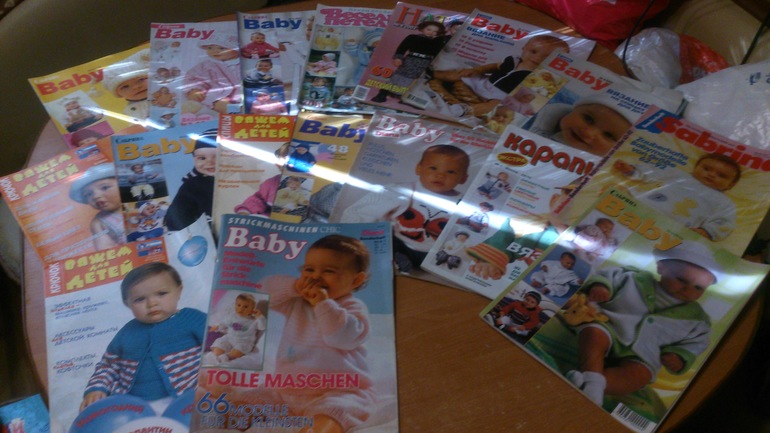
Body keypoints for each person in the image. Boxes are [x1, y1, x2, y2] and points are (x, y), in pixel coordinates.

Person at [563, 240, 721, 406]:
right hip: (610, 329)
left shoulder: (697, 320)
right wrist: (601, 287)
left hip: (644, 356)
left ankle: (592, 384)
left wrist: (680, 356)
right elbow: (607, 276)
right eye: (681, 280)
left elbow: (697, 342)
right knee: (593, 334)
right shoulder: (633, 279)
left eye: (698, 288)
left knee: (639, 376)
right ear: (662, 268)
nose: (688, 289)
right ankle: (592, 380)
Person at [258, 234, 375, 432]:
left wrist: (322, 303)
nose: (315, 277)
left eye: (328, 271)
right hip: (286, 389)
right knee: (244, 402)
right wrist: (294, 286)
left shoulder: (353, 308)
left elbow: (339, 337)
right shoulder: (295, 302)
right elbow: (262, 292)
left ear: (356, 280)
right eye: (309, 269)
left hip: (338, 391)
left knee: (334, 413)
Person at [80, 262, 206, 410]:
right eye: (140, 299)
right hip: (133, 405)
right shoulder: (127, 333)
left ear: (179, 291)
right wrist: (96, 389)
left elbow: (219, 345)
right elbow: (108, 366)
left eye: (161, 294)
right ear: (128, 304)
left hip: (188, 396)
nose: (152, 303)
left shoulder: (192, 319)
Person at [340, 144, 471, 272]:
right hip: (400, 242)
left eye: (451, 172)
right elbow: (364, 212)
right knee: (385, 240)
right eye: (433, 168)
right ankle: (397, 258)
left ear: (463, 178)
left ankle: (438, 263)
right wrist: (355, 233)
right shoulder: (401, 191)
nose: (440, 175)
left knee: (450, 257)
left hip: (432, 252)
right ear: (419, 168)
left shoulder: (465, 203)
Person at [428, 35, 570, 118]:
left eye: (546, 57)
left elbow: (530, 96)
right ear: (524, 48)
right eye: (533, 51)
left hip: (499, 96)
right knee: (462, 74)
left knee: (494, 106)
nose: (537, 58)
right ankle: (434, 74)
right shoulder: (513, 60)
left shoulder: (539, 77)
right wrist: (478, 69)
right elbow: (495, 66)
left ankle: (465, 110)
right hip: (485, 82)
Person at [612, 152, 741, 242]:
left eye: (721, 175)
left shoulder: (724, 202)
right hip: (641, 205)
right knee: (620, 191)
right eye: (706, 169)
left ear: (730, 185)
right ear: (695, 168)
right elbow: (653, 172)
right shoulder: (679, 174)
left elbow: (724, 222)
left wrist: (706, 231)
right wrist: (632, 170)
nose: (711, 175)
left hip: (670, 225)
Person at [526, 93, 635, 157]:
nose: (588, 132)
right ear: (574, 110)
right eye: (588, 119)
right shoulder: (539, 120)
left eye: (609, 135)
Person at [370, 21, 446, 103]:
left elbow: (438, 54)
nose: (431, 32)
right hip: (410, 61)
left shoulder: (437, 42)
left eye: (435, 31)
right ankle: (383, 94)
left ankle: (405, 96)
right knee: (398, 77)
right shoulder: (413, 37)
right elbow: (402, 48)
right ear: (422, 29)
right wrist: (398, 58)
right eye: (429, 29)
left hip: (426, 63)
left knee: (418, 81)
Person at [165, 129, 217, 231]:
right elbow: (176, 216)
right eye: (202, 158)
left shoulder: (240, 179)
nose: (210, 162)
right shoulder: (192, 185)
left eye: (218, 156)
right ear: (194, 159)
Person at [69, 163, 126, 250]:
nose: (96, 196)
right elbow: (104, 249)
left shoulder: (138, 201)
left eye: (104, 188)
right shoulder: (99, 223)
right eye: (88, 194)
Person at [183, 34, 242, 115]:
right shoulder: (206, 65)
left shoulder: (244, 64)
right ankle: (232, 116)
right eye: (210, 48)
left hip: (241, 94)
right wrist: (195, 89)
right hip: (217, 95)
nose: (214, 51)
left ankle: (244, 114)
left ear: (236, 49)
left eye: (221, 48)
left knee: (250, 104)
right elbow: (193, 77)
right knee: (224, 105)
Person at [203, 293, 266, 365]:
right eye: (238, 305)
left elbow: (262, 327)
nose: (241, 308)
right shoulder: (232, 316)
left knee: (239, 351)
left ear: (253, 309)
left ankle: (227, 356)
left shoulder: (254, 320)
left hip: (244, 341)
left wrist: (260, 317)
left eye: (245, 307)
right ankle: (218, 356)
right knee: (219, 346)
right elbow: (224, 323)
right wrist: (217, 326)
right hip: (230, 338)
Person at [234, 143, 291, 216]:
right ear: (278, 166)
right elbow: (257, 200)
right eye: (286, 165)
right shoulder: (271, 183)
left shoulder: (305, 184)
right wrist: (245, 211)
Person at [102, 48, 151, 120]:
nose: (136, 87)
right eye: (125, 87)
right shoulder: (132, 110)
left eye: (141, 79)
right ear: (119, 94)